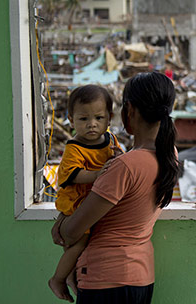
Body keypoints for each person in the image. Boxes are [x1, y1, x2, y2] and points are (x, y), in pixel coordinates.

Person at [52, 72, 181, 304]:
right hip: (141, 278)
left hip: (105, 279)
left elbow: (72, 232)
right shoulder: (170, 155)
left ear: (128, 111)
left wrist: (61, 223)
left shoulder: (124, 166)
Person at [48, 85, 122, 302]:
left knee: (80, 245)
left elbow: (118, 160)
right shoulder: (74, 147)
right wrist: (99, 173)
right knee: (79, 242)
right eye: (83, 119)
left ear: (109, 119)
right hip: (76, 202)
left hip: (95, 201)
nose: (92, 124)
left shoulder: (110, 140)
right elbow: (73, 175)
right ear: (71, 120)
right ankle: (58, 278)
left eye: (99, 118)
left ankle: (71, 277)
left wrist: (118, 156)